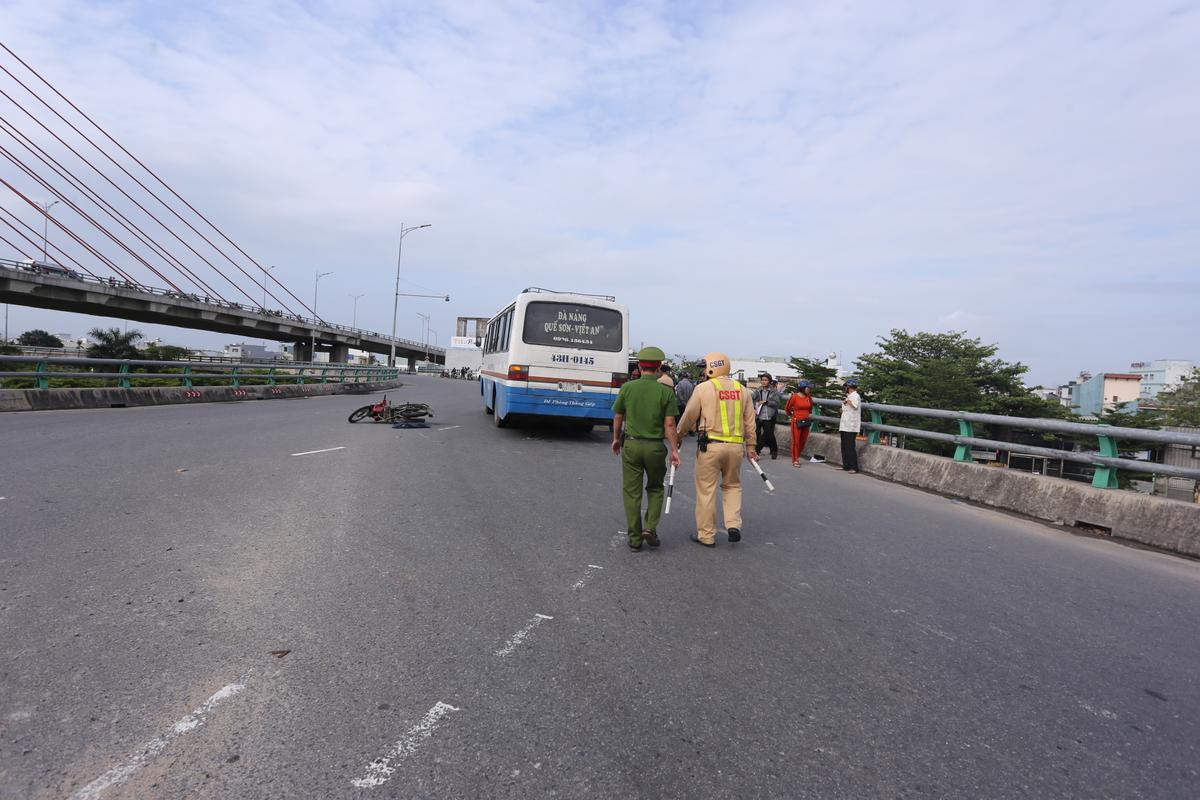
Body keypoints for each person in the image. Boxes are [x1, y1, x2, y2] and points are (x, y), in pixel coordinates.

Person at [676, 352, 757, 547]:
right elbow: (750, 421)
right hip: (736, 448)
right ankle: (733, 525)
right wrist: (752, 446)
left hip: (710, 447)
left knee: (706, 491)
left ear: (712, 367)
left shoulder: (703, 388)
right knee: (733, 486)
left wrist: (678, 436)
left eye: (705, 367)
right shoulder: (743, 390)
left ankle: (706, 535)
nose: (704, 371)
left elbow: (689, 416)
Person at [611, 347, 681, 551]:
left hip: (631, 445)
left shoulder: (627, 388)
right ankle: (650, 527)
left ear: (640, 367)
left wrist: (616, 438)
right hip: (655, 447)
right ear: (659, 368)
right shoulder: (666, 392)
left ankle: (634, 539)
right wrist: (675, 450)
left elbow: (618, 416)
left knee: (632, 492)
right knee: (656, 488)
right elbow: (670, 425)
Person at [784, 380, 813, 467]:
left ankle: (797, 455)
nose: (809, 389)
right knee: (796, 441)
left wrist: (807, 415)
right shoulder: (794, 397)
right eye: (808, 388)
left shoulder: (809, 397)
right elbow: (787, 408)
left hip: (806, 422)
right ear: (803, 388)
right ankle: (795, 459)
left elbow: (810, 408)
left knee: (803, 441)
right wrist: (792, 416)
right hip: (796, 422)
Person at [752, 372, 781, 460]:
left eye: (766, 380)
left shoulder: (773, 391)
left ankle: (774, 451)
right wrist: (757, 403)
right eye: (762, 380)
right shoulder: (758, 390)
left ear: (769, 381)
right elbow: (751, 400)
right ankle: (757, 451)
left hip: (769, 416)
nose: (764, 382)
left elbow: (777, 403)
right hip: (759, 415)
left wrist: (767, 402)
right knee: (757, 434)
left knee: (769, 434)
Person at [840, 378, 862, 473]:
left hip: (851, 426)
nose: (845, 388)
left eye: (846, 387)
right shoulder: (849, 396)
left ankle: (854, 467)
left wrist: (848, 402)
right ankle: (846, 466)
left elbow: (855, 406)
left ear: (849, 387)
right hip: (844, 424)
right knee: (844, 446)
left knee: (850, 447)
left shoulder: (855, 396)